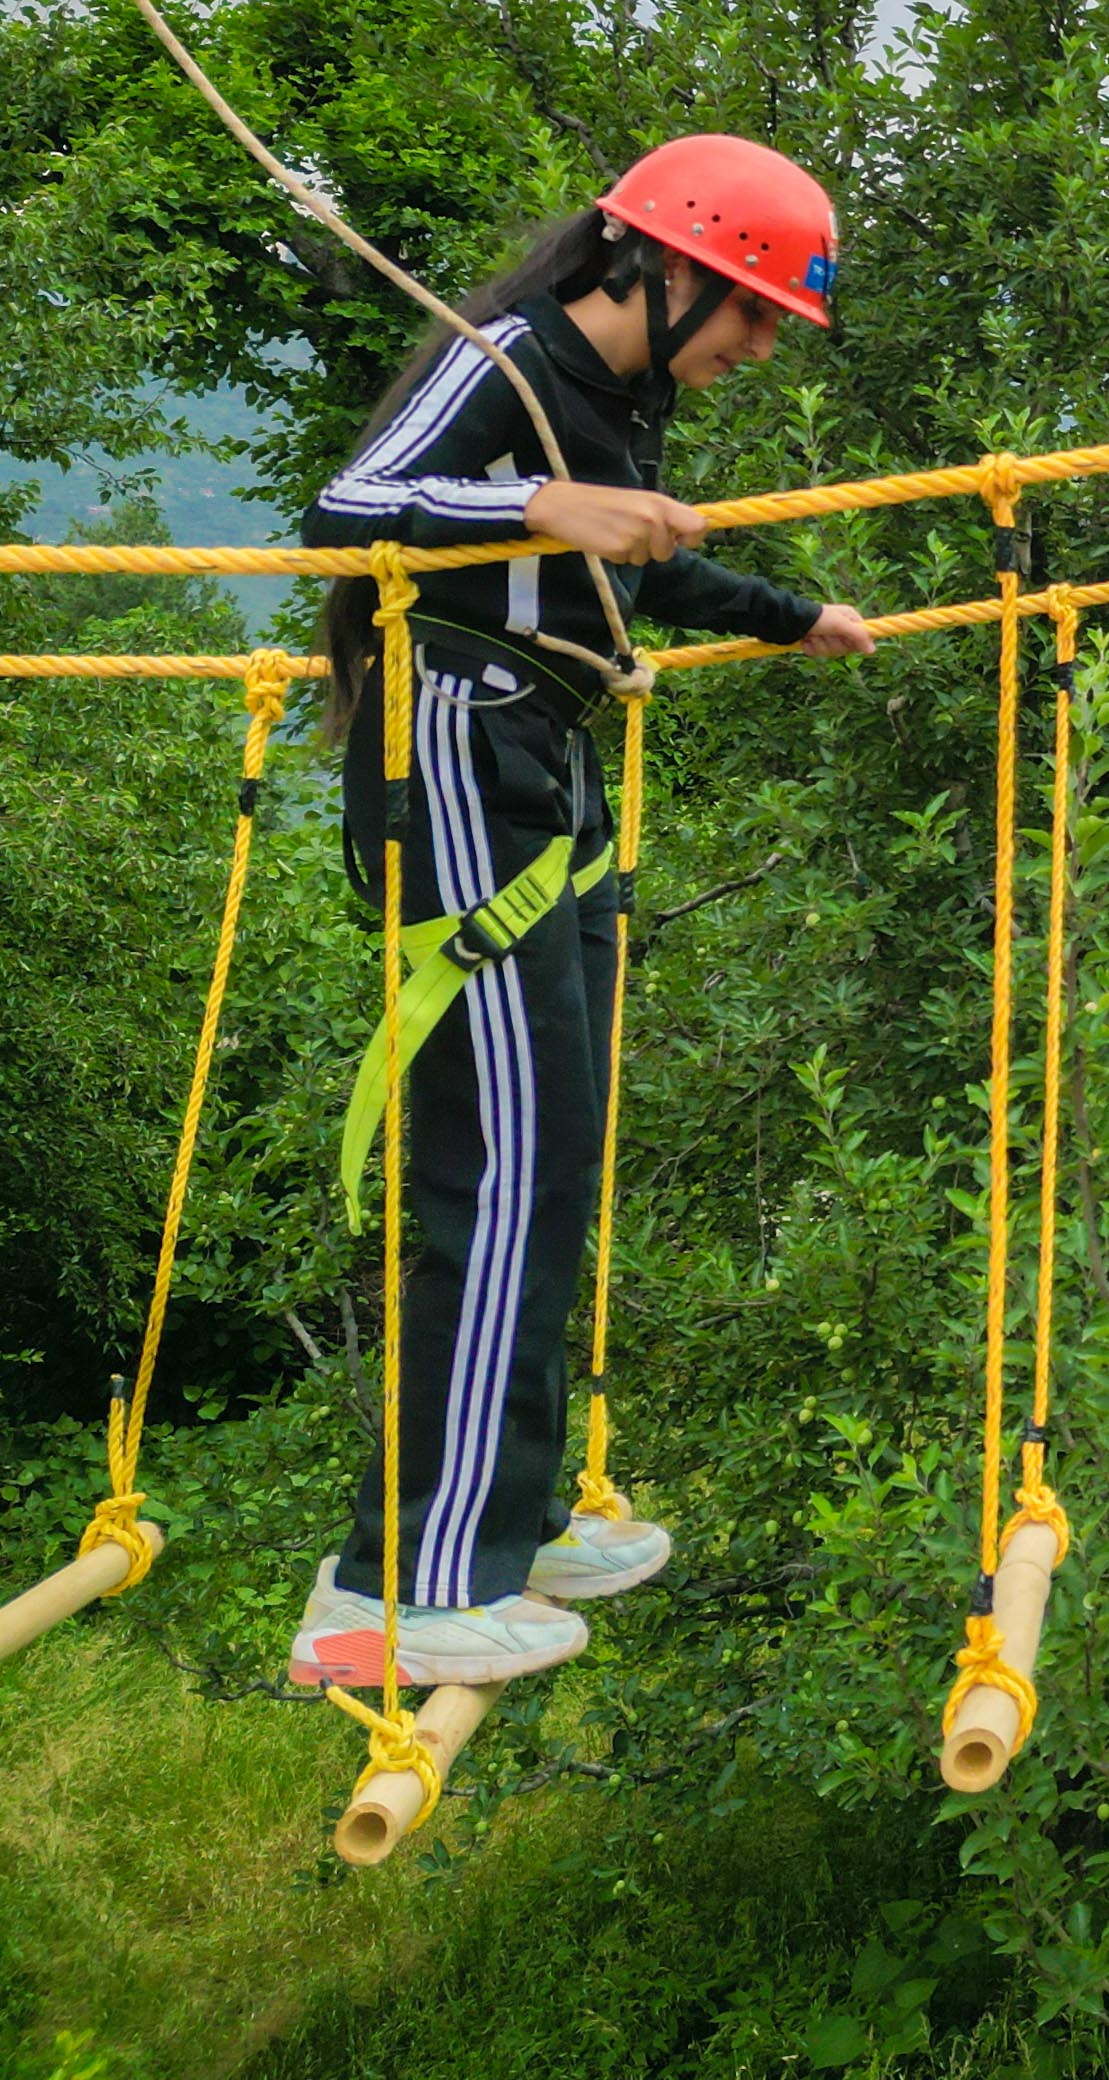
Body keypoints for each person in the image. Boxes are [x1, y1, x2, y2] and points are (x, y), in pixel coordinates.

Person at [288, 135, 876, 1692]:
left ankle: (505, 1517)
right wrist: (547, 504)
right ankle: (399, 1587)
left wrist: (786, 616)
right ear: (660, 263)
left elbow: (632, 572)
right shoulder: (511, 362)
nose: (756, 346)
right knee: (503, 1167)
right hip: (460, 761)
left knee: (557, 1153)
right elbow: (351, 507)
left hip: (539, 765)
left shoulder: (621, 403)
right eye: (748, 308)